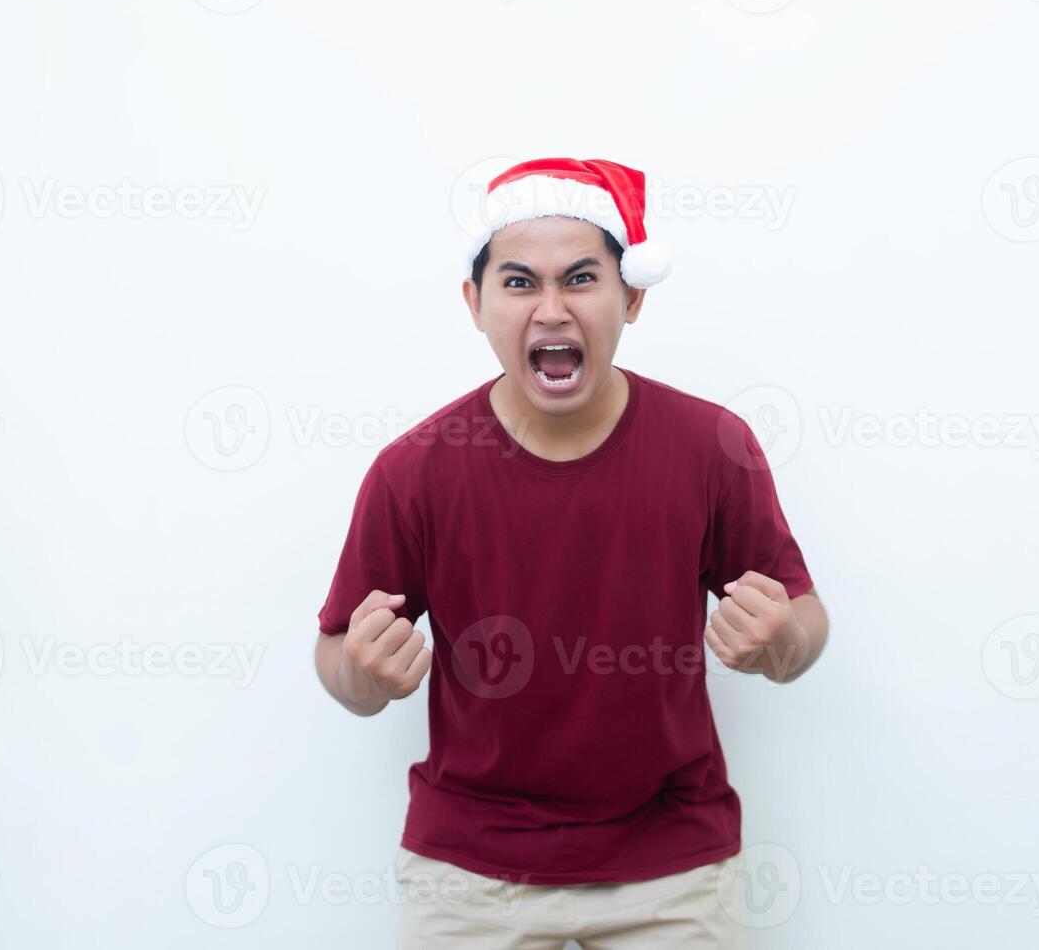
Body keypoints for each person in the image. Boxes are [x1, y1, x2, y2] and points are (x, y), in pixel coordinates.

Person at [314, 157, 829, 948]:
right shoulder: (412, 470)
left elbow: (802, 620)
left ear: (630, 297)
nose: (551, 310)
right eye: (519, 283)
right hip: (471, 872)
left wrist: (782, 642)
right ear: (474, 303)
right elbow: (337, 655)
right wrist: (363, 672)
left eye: (580, 279)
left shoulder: (712, 446)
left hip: (673, 867)